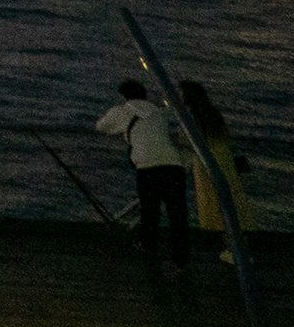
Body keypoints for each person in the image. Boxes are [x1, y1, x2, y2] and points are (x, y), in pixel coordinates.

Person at [98, 78, 192, 264]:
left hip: (147, 166)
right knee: (177, 213)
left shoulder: (122, 112)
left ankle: (149, 246)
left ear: (125, 96)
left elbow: (101, 126)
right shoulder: (158, 112)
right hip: (173, 165)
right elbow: (176, 113)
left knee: (150, 209)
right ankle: (181, 256)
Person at [180, 80, 254, 257]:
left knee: (215, 206)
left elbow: (187, 141)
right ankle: (240, 248)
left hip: (206, 164)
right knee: (232, 202)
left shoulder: (191, 118)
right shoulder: (214, 113)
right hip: (224, 159)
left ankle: (234, 252)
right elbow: (225, 136)